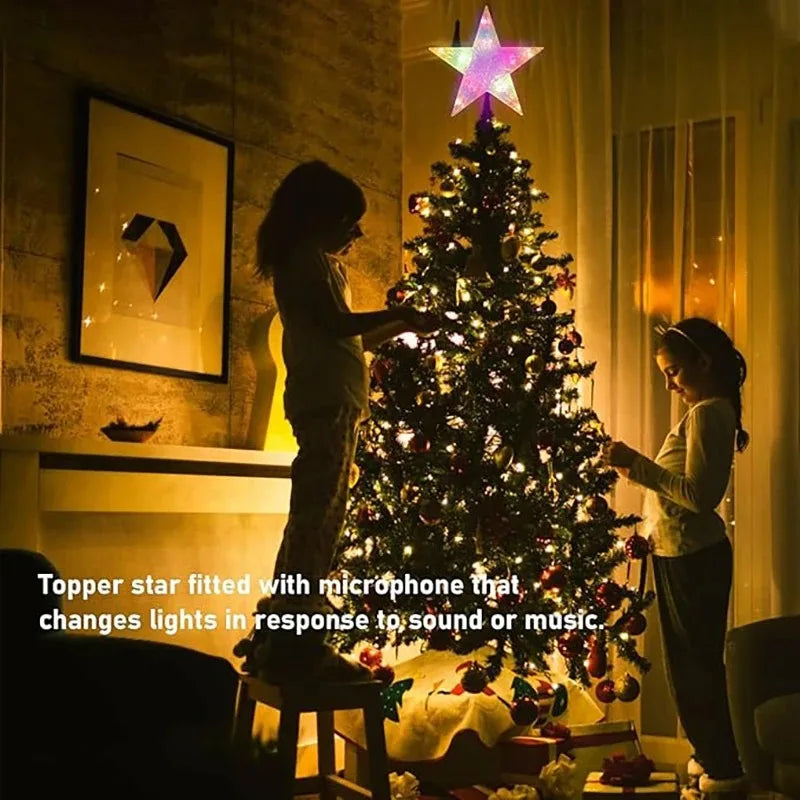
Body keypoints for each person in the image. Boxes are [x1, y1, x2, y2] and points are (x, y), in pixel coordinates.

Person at [238, 160, 439, 683]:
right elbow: (335, 324)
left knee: (322, 515)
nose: (357, 234)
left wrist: (403, 326)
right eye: (349, 221)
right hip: (324, 401)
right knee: (318, 516)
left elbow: (352, 337)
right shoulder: (302, 262)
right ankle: (297, 640)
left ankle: (282, 633)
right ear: (316, 216)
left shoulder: (325, 267)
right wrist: (401, 313)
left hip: (338, 401)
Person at [602, 318, 748, 799]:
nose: (669, 384)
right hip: (678, 554)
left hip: (693, 558)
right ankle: (712, 758)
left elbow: (699, 497)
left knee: (695, 671)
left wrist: (636, 466)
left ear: (703, 363)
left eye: (674, 372)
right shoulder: (704, 413)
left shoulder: (708, 414)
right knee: (688, 668)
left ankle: (722, 767)